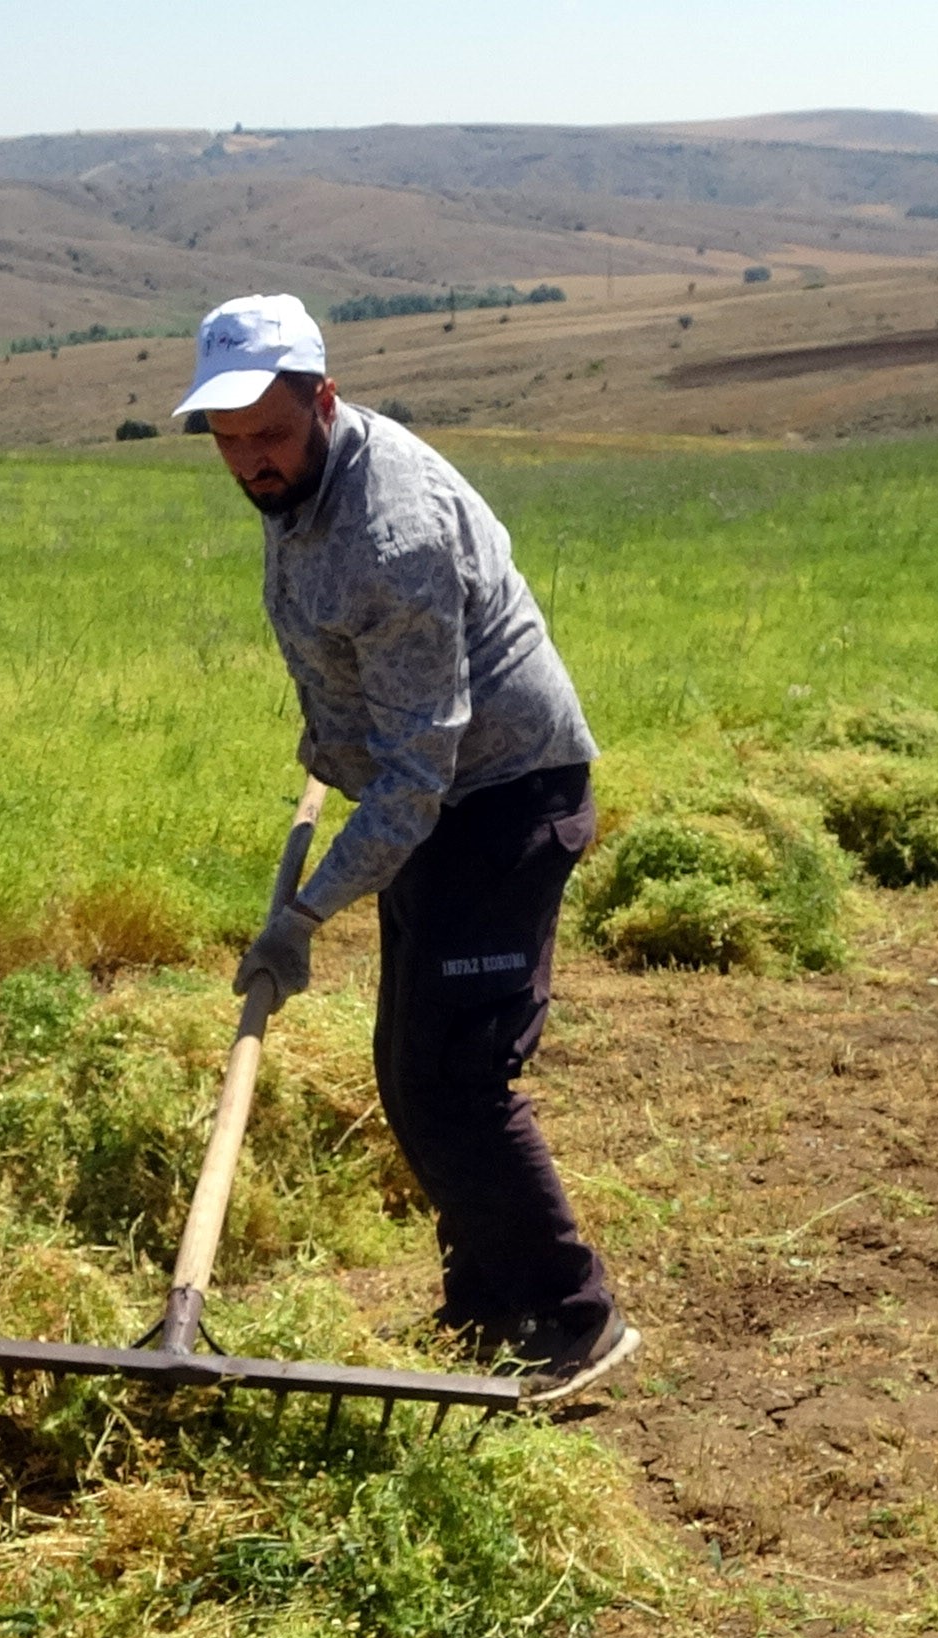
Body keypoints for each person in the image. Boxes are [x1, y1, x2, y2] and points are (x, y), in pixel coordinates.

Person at [171, 292, 639, 1406]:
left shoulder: (394, 535)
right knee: (410, 1070)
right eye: (229, 444)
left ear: (324, 401)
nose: (251, 465)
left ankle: (576, 1322)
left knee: (455, 1077)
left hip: (496, 800)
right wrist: (330, 742)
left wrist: (304, 916)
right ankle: (488, 1309)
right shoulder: (307, 479)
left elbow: (423, 771)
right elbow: (360, 677)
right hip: (425, 795)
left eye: (272, 438)